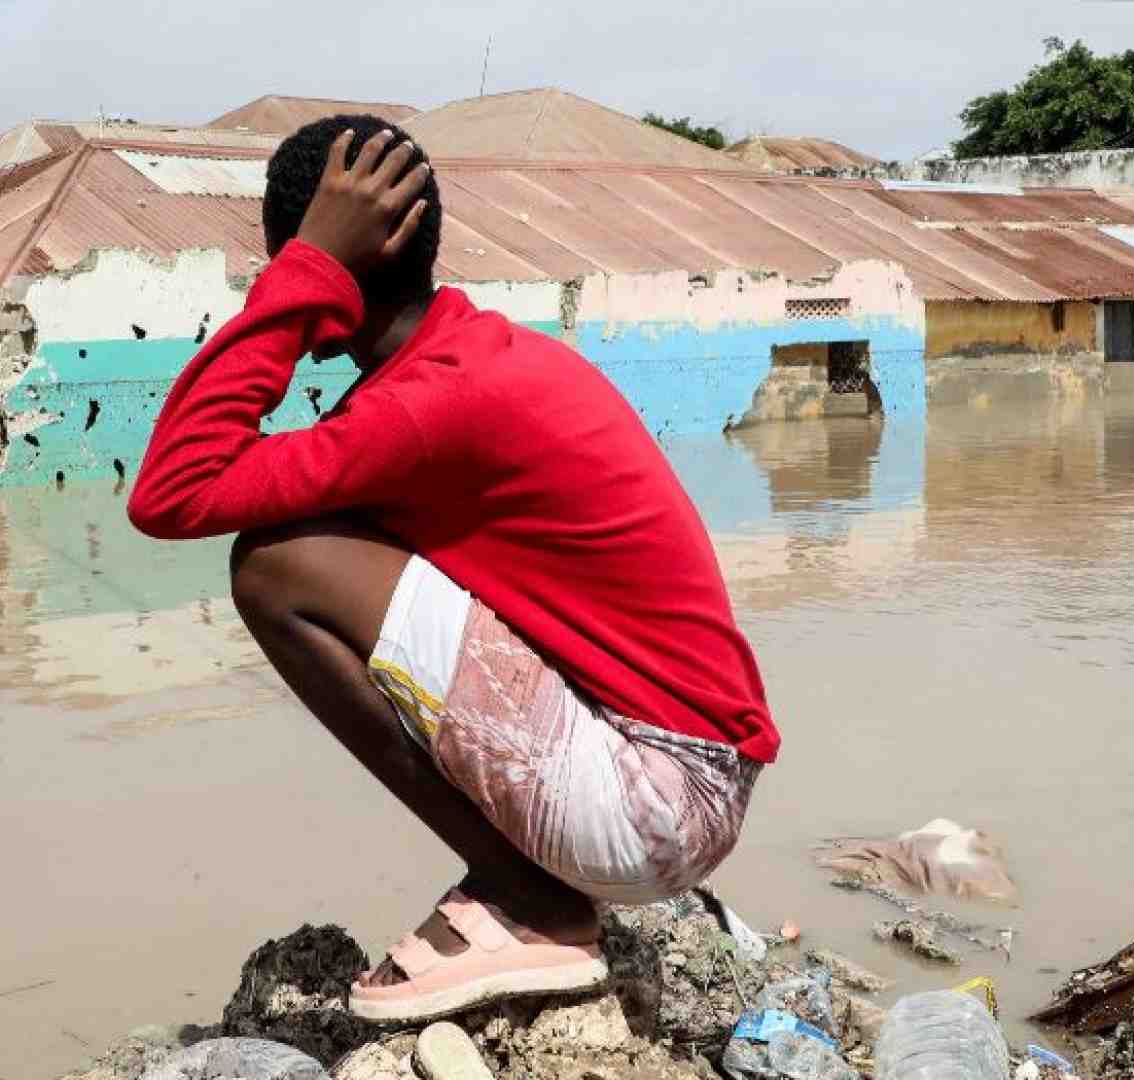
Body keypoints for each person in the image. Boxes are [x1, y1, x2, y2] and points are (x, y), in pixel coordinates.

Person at [126, 115, 778, 1025]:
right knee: (319, 528)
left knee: (275, 566)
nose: (269, 283)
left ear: (320, 262)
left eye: (278, 261)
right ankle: (525, 884)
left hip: (651, 807)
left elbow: (172, 490)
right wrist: (320, 264)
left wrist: (304, 272)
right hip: (687, 784)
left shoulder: (434, 405)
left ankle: (536, 903)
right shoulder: (458, 361)